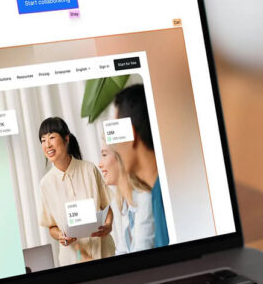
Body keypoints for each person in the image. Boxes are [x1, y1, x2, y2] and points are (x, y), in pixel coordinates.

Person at [36, 117, 115, 265]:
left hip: (103, 252)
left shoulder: (89, 169)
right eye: (43, 140)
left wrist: (108, 226)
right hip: (73, 259)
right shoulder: (45, 184)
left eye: (52, 137)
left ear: (66, 139)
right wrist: (60, 236)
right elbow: (51, 227)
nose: (47, 145)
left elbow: (107, 208)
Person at [111, 84, 171, 247]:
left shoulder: (162, 197)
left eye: (115, 135)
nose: (114, 148)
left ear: (131, 135)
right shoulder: (161, 191)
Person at [98, 142, 154, 255]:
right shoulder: (126, 204)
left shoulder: (145, 199)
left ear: (121, 156)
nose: (100, 164)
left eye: (104, 155)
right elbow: (121, 252)